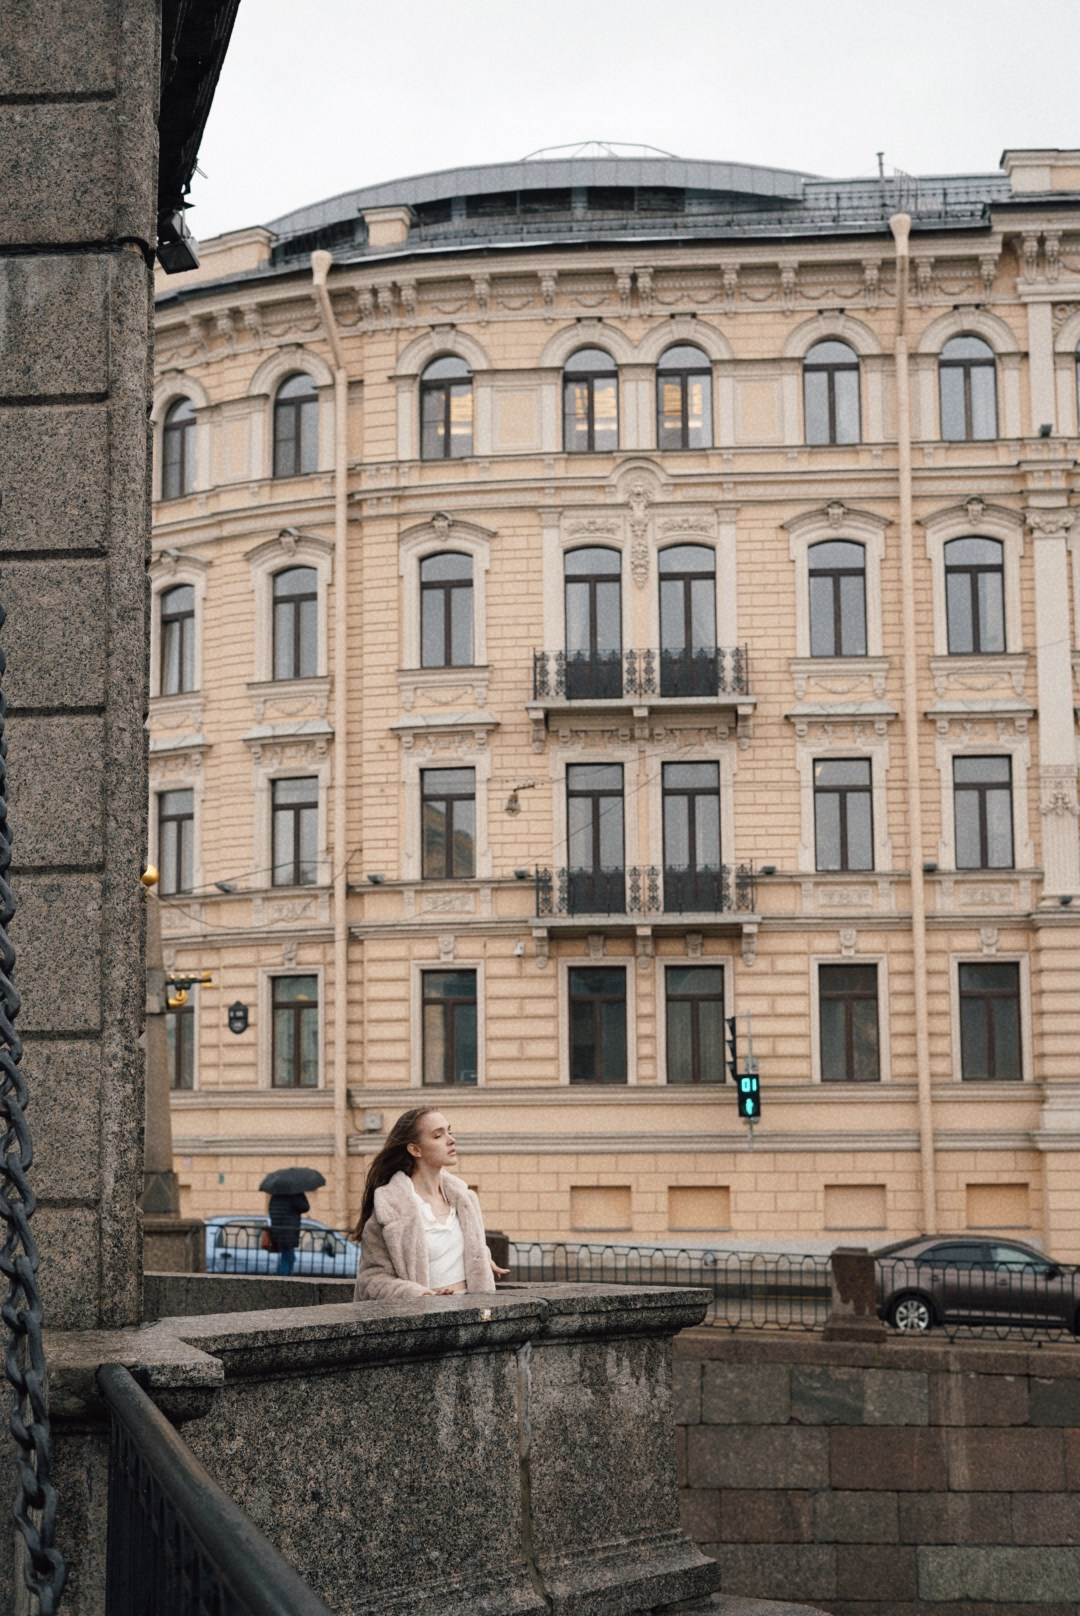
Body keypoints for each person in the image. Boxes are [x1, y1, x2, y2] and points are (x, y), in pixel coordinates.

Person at [352, 1106, 508, 1300]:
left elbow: (456, 1248)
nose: (451, 1140)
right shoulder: (390, 1207)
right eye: (438, 1135)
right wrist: (421, 1295)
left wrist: (481, 1258)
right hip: (425, 1322)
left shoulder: (464, 1199)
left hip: (473, 1316)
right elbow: (372, 1280)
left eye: (449, 1132)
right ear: (415, 1149)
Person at [267, 1189, 309, 1276]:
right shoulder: (294, 1195)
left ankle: (286, 1280)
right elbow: (305, 1207)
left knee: (289, 1257)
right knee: (288, 1258)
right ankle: (283, 1282)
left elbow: (271, 1210)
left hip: (278, 1231)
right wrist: (301, 1193)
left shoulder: (275, 1195)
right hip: (289, 1232)